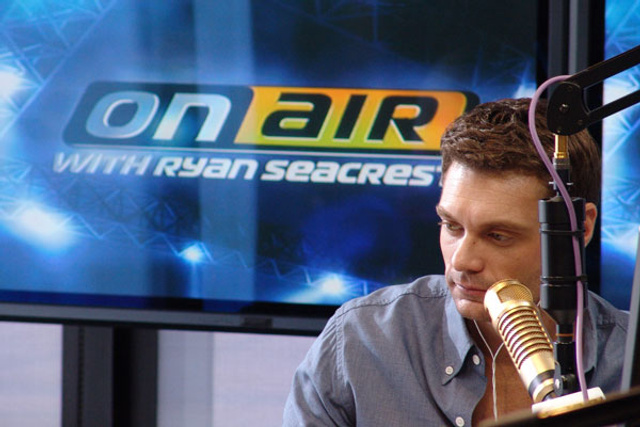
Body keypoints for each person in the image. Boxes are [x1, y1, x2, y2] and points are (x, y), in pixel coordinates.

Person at [282, 98, 629, 426]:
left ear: (580, 228)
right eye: (452, 226)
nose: (462, 261)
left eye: (498, 235)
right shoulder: (360, 338)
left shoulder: (629, 357)